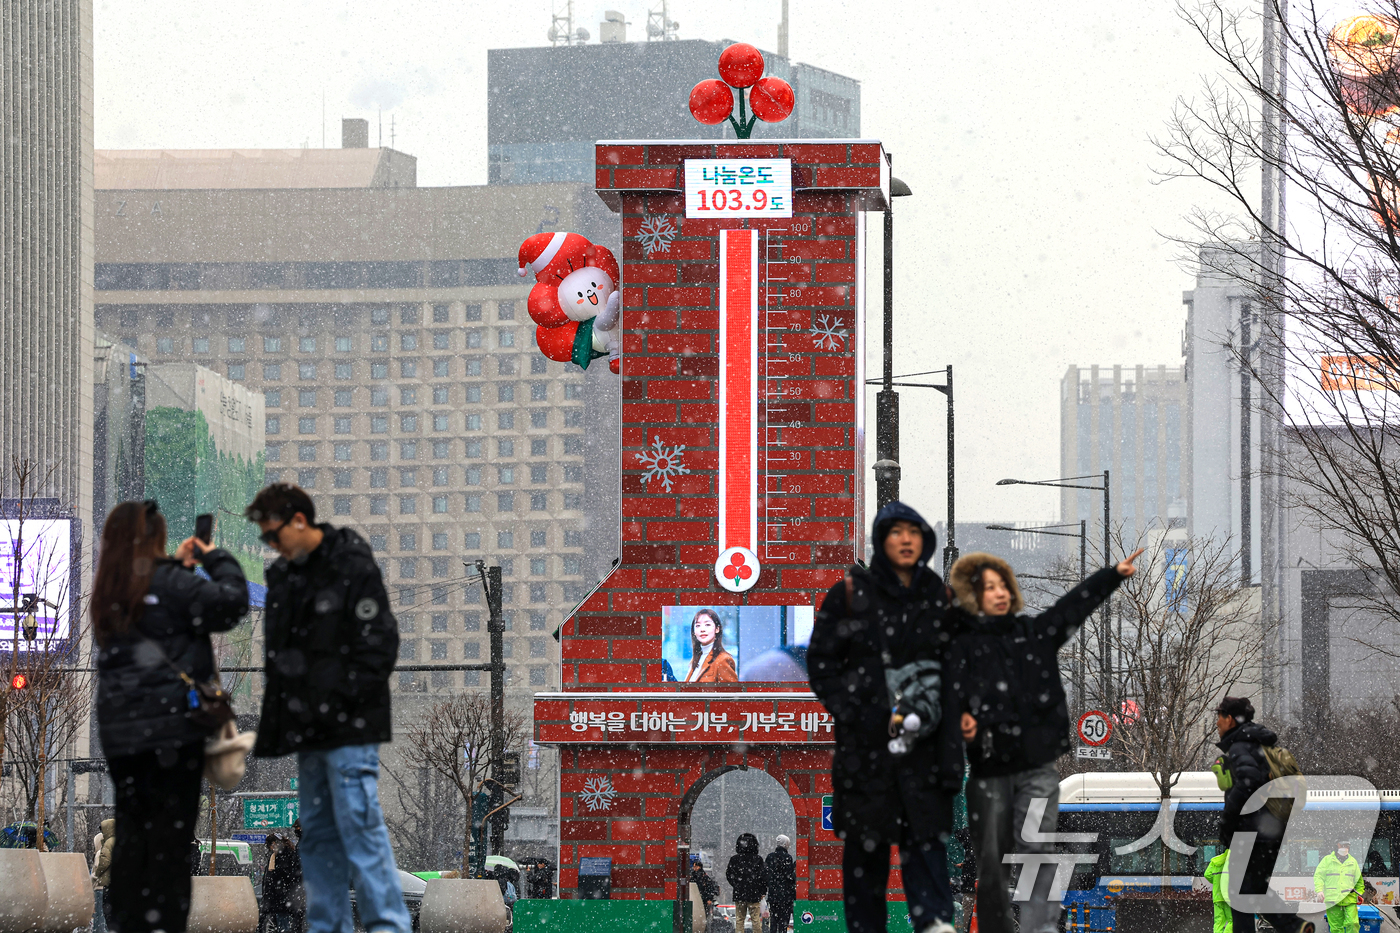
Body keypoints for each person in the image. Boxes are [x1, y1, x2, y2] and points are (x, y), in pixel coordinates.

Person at [948, 548, 1141, 933]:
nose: (1000, 593)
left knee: (1037, 847)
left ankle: (1041, 927)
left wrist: (1113, 575)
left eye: (1003, 585)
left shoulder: (1036, 634)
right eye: (989, 588)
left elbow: (1073, 607)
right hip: (990, 768)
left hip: (1036, 766)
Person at [246, 484, 409, 933]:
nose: (272, 543)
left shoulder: (351, 564)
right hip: (308, 728)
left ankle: (389, 926)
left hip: (350, 725)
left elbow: (381, 643)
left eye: (274, 532)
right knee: (316, 837)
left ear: (299, 520)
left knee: (359, 825)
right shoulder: (285, 577)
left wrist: (339, 700)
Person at [92, 499, 249, 933]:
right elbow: (232, 603)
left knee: (133, 831)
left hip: (121, 733)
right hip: (173, 731)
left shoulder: (110, 590)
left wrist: (171, 568)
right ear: (156, 538)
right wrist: (210, 554)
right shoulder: (174, 582)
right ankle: (163, 924)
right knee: (172, 840)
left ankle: (129, 924)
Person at [807, 501, 964, 933]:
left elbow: (956, 683)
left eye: (913, 532)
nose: (906, 540)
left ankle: (934, 923)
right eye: (896, 532)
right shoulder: (850, 595)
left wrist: (953, 761)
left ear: (924, 540)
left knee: (928, 855)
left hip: (925, 757)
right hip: (866, 757)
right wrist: (853, 711)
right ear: (881, 540)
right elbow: (821, 664)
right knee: (864, 864)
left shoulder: (942, 599)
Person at [1211, 696, 1315, 933]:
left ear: (1230, 719)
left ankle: (1292, 926)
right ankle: (1295, 927)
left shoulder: (1240, 746)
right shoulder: (1262, 745)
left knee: (1239, 895)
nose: (1217, 723)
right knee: (1253, 889)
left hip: (1250, 831)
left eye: (1219, 717)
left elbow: (1249, 781)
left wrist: (1227, 820)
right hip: (1272, 829)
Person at [1314, 840, 1363, 933]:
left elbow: (1359, 882)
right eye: (1342, 845)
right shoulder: (1327, 860)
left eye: (1347, 845)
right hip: (1332, 899)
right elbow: (1319, 876)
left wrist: (1359, 894)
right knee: (1336, 928)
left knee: (1353, 924)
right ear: (1337, 845)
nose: (1345, 848)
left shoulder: (1353, 862)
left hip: (1350, 899)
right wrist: (1319, 890)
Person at [262, 832, 305, 933]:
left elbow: (280, 876)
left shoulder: (282, 856)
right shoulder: (284, 854)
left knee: (283, 925)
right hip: (282, 898)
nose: (271, 848)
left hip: (280, 898)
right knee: (284, 924)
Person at [726, 834, 767, 933]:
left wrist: (736, 885)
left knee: (739, 919)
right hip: (754, 894)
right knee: (756, 919)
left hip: (740, 894)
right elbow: (763, 877)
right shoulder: (758, 859)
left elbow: (729, 875)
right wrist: (762, 891)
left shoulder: (734, 859)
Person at [685, 609, 737, 683]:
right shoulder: (696, 659)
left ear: (717, 629)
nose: (702, 629)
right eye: (698, 625)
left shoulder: (723, 660)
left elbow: (730, 692)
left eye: (707, 625)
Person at [765, 836, 797, 933]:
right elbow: (789, 877)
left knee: (774, 921)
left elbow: (766, 875)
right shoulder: (788, 858)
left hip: (773, 895)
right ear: (786, 844)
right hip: (785, 896)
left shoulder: (770, 857)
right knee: (783, 923)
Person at [1206, 849, 1231, 933]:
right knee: (1232, 920)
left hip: (1217, 896)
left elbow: (1207, 874)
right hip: (1228, 897)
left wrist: (1216, 881)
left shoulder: (1215, 861)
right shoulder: (1232, 861)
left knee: (1218, 921)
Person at [691, 854, 719, 924]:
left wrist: (709, 898)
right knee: (703, 916)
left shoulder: (703, 877)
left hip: (702, 899)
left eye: (695, 866)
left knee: (703, 916)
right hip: (701, 898)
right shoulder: (697, 876)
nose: (693, 868)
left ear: (698, 867)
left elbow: (710, 888)